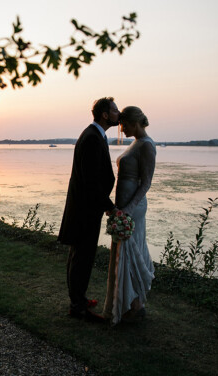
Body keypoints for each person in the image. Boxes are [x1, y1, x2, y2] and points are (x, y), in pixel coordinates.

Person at [58, 97, 120, 322]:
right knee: (81, 257)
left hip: (86, 207)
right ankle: (78, 308)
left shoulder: (95, 135)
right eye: (115, 110)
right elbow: (91, 181)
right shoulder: (92, 138)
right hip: (85, 209)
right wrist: (110, 207)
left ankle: (79, 300)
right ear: (104, 114)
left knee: (79, 256)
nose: (118, 113)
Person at [102, 106, 156, 325]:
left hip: (133, 208)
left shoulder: (148, 146)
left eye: (123, 124)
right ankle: (130, 304)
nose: (120, 127)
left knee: (129, 252)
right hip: (122, 205)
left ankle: (135, 305)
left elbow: (146, 183)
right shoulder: (135, 142)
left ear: (134, 123)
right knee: (121, 253)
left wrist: (129, 209)